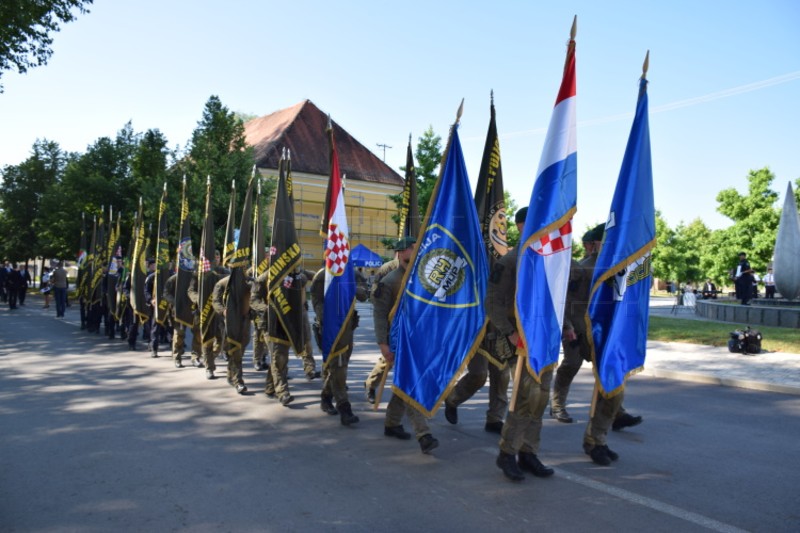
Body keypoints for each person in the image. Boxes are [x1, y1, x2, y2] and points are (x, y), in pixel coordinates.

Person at [487, 208, 554, 481]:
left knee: (541, 398)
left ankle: (528, 451)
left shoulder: (548, 260)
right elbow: (492, 301)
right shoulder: (511, 261)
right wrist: (510, 332)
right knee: (526, 397)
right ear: (520, 226)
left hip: (545, 339)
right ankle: (507, 452)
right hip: (521, 340)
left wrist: (568, 327)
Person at [373, 236, 439, 454]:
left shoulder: (422, 279)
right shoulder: (389, 281)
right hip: (399, 342)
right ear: (401, 253)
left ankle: (392, 423)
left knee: (403, 385)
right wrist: (383, 343)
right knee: (410, 385)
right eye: (410, 249)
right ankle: (424, 434)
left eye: (416, 249)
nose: (413, 252)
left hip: (418, 341)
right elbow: (380, 314)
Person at [310, 266, 368, 426]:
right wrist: (329, 320)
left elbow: (364, 295)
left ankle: (326, 397)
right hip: (331, 329)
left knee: (339, 366)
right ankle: (344, 408)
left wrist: (350, 286)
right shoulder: (322, 275)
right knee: (338, 367)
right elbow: (316, 302)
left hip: (348, 328)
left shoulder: (353, 274)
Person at [363, 253, 399, 403]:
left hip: (407, 319)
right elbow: (376, 294)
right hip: (390, 317)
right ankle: (370, 384)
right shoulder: (388, 269)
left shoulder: (416, 267)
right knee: (389, 358)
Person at [211, 274, 250, 394]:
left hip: (245, 322)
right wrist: (223, 311)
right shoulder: (222, 283)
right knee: (235, 350)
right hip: (230, 322)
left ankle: (230, 373)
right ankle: (238, 381)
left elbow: (253, 298)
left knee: (240, 349)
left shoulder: (248, 282)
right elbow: (215, 301)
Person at [163, 270, 202, 369]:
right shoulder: (173, 279)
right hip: (180, 312)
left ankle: (195, 357)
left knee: (198, 334)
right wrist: (176, 303)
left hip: (194, 311)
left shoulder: (196, 277)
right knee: (179, 335)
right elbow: (166, 293)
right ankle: (177, 357)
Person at [143, 259, 160, 358]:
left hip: (165, 305)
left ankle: (176, 348)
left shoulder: (164, 276)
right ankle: (154, 348)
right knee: (155, 327)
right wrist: (151, 300)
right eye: (152, 265)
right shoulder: (150, 277)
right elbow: (146, 291)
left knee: (171, 327)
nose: (154, 266)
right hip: (154, 306)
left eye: (155, 265)